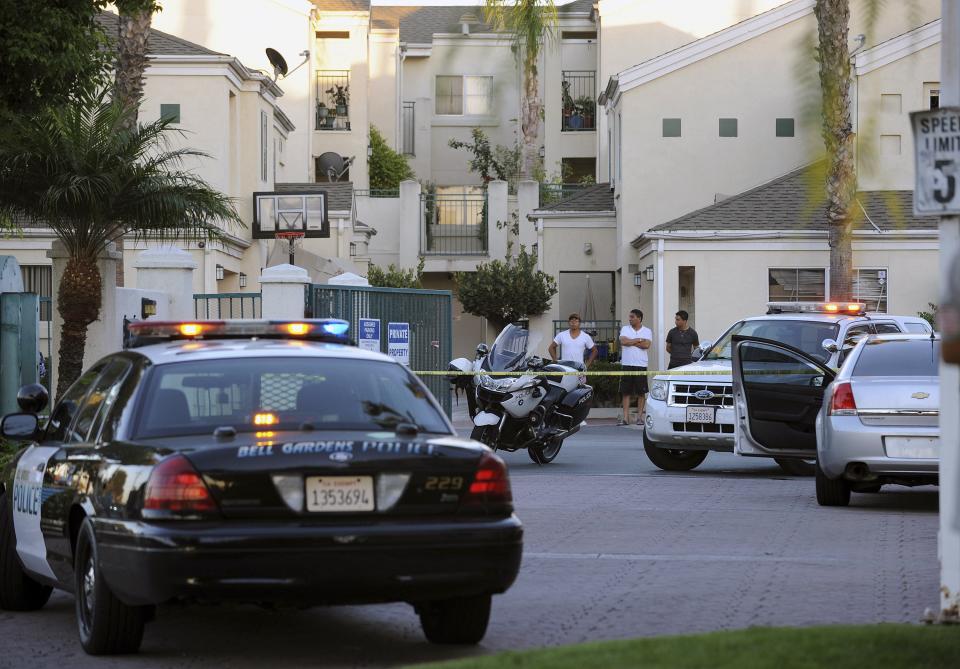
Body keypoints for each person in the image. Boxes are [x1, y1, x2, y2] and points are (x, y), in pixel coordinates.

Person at [618, 309, 652, 426]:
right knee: (625, 392)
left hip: (641, 364)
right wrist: (638, 340)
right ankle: (625, 418)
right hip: (627, 364)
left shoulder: (647, 330)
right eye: (630, 317)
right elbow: (623, 341)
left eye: (632, 317)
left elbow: (646, 345)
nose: (630, 319)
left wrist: (630, 341)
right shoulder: (625, 329)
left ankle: (639, 418)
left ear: (639, 318)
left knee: (641, 392)